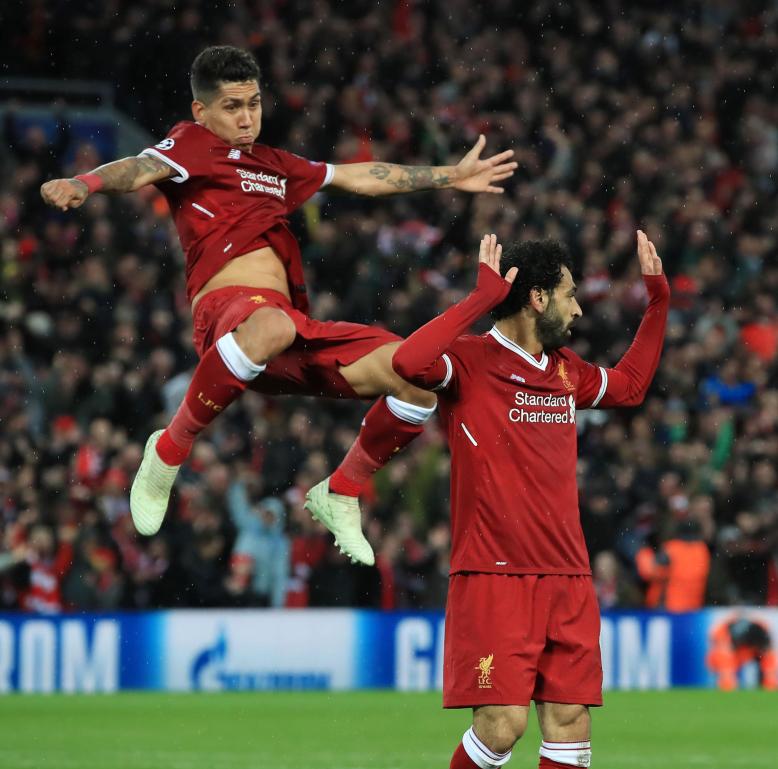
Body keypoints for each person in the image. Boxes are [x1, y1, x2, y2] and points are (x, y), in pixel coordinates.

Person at [39, 45, 516, 565]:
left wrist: (450, 176)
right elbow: (136, 167)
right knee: (272, 326)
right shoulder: (191, 145)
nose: (247, 118)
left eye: (253, 103)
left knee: (418, 374)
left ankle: (341, 490)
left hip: (288, 330)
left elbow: (359, 176)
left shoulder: (273, 165)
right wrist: (83, 183)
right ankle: (168, 451)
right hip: (229, 318)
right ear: (202, 112)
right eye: (232, 106)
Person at [391, 231, 669, 769]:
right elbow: (408, 359)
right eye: (570, 294)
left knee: (570, 721)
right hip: (494, 571)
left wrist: (658, 302)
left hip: (568, 576)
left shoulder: (566, 371)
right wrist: (477, 300)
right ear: (538, 296)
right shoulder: (471, 361)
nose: (578, 310)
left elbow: (630, 386)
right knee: (503, 723)